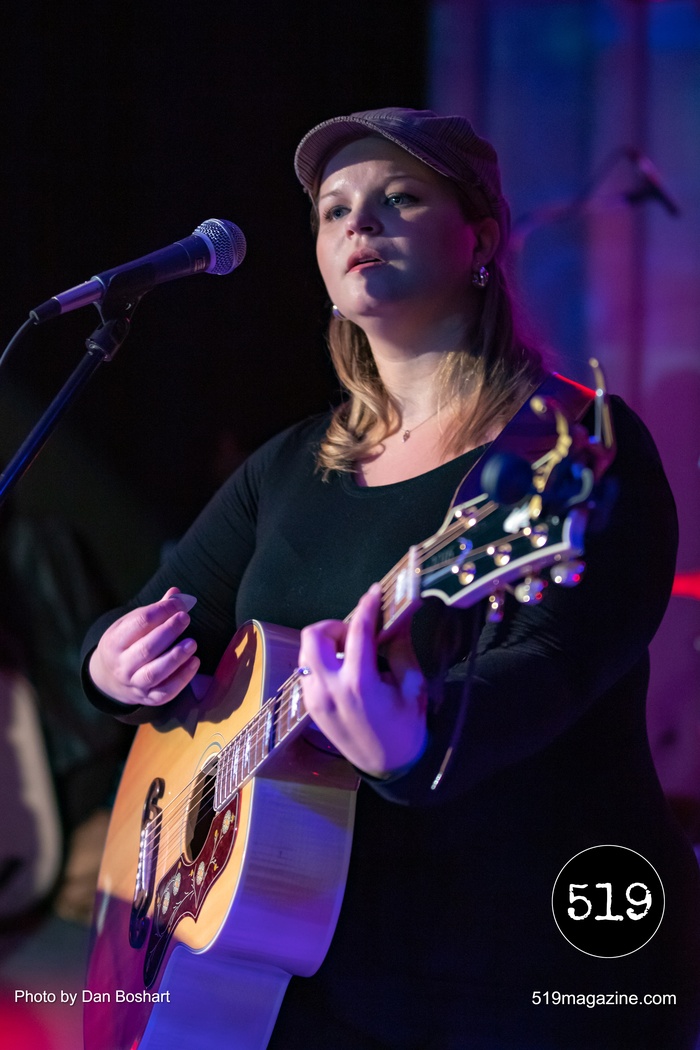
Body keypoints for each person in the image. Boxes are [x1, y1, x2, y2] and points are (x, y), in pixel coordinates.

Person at [82, 108, 700, 1049]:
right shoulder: (291, 466)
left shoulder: (563, 452)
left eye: (400, 198)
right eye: (334, 211)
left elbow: (558, 662)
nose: (359, 223)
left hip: (522, 966)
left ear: (480, 239)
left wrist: (416, 740)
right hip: (308, 972)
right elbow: (161, 611)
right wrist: (112, 666)